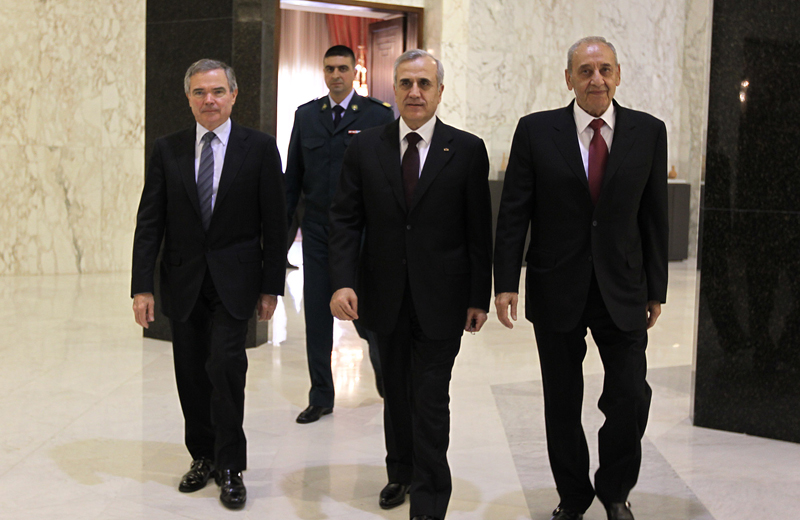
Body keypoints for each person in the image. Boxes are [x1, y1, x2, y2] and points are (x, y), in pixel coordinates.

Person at [493, 36, 668, 520]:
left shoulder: (648, 131)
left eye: (605, 69)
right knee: (562, 403)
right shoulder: (535, 131)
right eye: (586, 71)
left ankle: (614, 489)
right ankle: (573, 496)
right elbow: (514, 213)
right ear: (568, 78)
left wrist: (657, 289)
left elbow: (654, 217)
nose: (597, 79)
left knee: (630, 396)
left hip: (623, 288)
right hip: (556, 286)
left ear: (618, 74)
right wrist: (506, 280)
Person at [329, 49, 493, 520]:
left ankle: (429, 498)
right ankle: (399, 471)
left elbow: (477, 231)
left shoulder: (466, 149)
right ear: (394, 90)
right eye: (405, 83)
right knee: (395, 393)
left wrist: (477, 296)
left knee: (429, 398)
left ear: (440, 90)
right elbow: (344, 219)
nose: (415, 92)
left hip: (442, 300)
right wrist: (341, 281)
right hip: (382, 297)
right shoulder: (365, 147)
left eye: (424, 83)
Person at [131, 59, 287, 510]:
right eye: (200, 93)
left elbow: (274, 224)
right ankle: (202, 456)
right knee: (191, 375)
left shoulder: (259, 148)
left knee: (225, 368)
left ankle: (231, 465)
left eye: (217, 91)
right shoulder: (168, 149)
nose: (209, 100)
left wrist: (270, 286)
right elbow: (150, 222)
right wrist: (143, 287)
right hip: (183, 282)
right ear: (189, 98)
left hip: (236, 281)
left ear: (234, 95)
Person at [285, 45, 395, 424]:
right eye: (330, 68)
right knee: (317, 316)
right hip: (316, 232)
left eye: (343, 68)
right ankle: (321, 395)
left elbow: (387, 177)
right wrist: (281, 241)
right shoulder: (306, 116)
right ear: (324, 71)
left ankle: (388, 380)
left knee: (370, 318)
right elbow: (292, 180)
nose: (336, 75)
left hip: (363, 234)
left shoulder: (376, 115)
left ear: (354, 72)